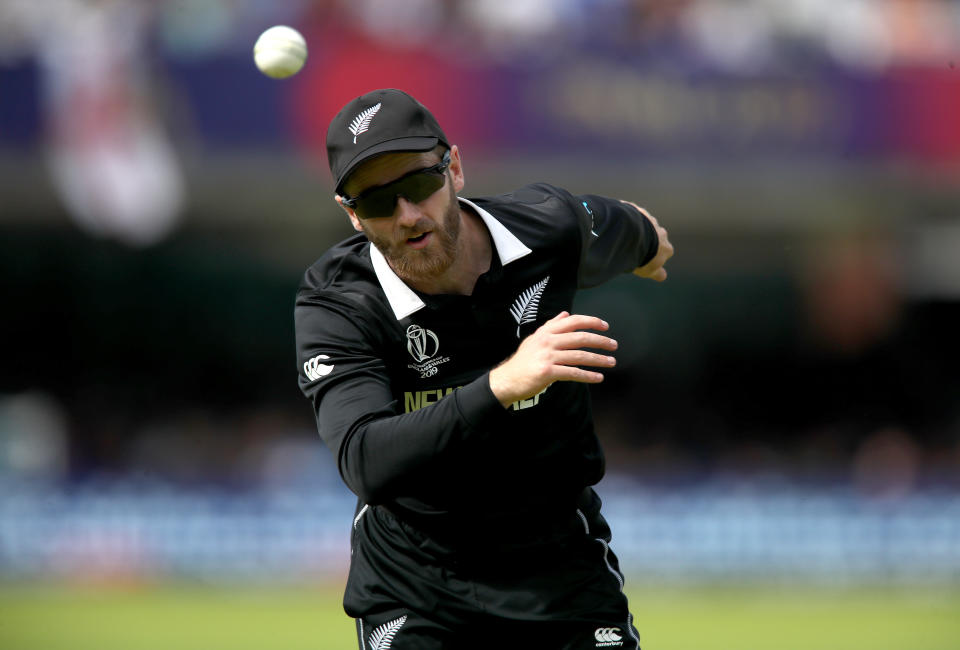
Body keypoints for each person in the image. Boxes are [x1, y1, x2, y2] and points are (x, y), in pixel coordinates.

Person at [295, 88, 673, 650]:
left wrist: (646, 245)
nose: (408, 215)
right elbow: (365, 459)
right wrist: (500, 384)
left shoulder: (549, 227)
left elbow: (627, 227)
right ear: (352, 215)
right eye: (377, 202)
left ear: (456, 169)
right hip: (415, 583)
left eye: (419, 183)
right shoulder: (338, 303)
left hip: (559, 570)